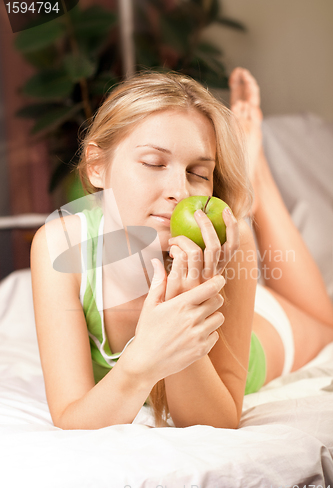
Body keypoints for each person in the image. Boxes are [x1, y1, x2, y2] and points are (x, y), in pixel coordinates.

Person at [31, 68, 333, 430]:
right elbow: (71, 419)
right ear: (97, 166)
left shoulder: (228, 246)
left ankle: (258, 182)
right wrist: (146, 357)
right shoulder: (60, 245)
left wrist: (186, 302)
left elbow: (214, 424)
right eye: (154, 163)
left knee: (326, 327)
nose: (180, 191)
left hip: (254, 329)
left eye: (199, 173)